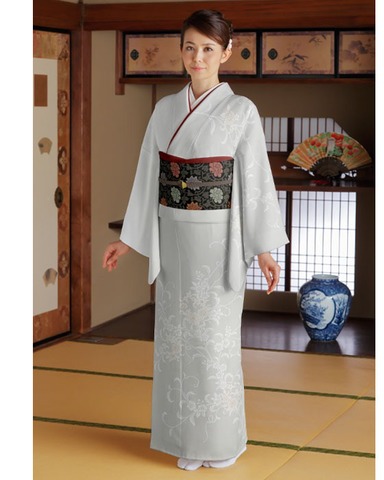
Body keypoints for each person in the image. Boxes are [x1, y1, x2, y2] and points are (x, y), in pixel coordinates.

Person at [102, 9, 289, 471]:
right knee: (176, 343)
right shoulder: (165, 110)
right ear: (181, 51)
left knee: (213, 343)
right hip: (173, 238)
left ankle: (221, 442)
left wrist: (263, 249)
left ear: (226, 52)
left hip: (218, 241)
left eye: (208, 48)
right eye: (190, 47)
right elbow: (149, 176)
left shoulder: (241, 111)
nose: (197, 57)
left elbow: (254, 181)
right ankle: (185, 440)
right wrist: (129, 240)